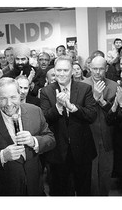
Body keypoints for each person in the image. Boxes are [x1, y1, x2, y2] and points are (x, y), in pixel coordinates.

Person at [0, 77, 55, 195]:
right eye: (3, 99)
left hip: (34, 185)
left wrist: (34, 141)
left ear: (20, 95)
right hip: (4, 189)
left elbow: (50, 139)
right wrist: (2, 155)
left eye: (13, 97)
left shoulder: (35, 111)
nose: (9, 103)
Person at [40, 55, 97, 196]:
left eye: (65, 70)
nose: (61, 74)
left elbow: (91, 115)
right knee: (60, 191)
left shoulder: (85, 89)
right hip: (58, 152)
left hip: (82, 150)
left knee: (84, 190)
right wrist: (58, 107)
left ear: (72, 71)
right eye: (58, 70)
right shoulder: (47, 91)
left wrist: (71, 107)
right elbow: (45, 119)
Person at [82, 56, 118, 195]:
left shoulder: (114, 86)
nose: (97, 72)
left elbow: (116, 115)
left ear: (107, 69)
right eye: (94, 69)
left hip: (108, 136)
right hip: (88, 136)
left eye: (101, 69)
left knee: (106, 173)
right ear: (89, 68)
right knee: (90, 175)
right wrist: (94, 98)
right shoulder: (82, 85)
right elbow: (80, 112)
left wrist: (102, 101)